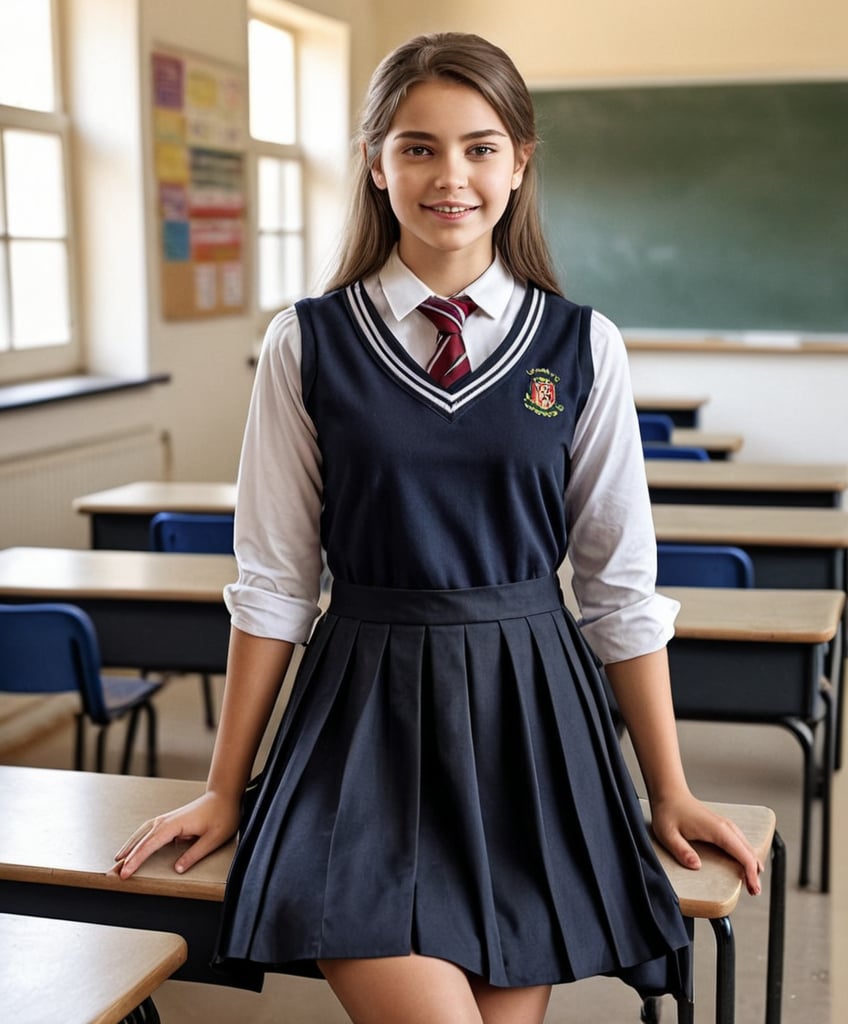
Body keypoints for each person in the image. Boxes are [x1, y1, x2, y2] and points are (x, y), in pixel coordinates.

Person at [115, 31, 762, 1023]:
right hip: (359, 723)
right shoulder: (307, 342)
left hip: (530, 720)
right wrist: (222, 785)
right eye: (416, 147)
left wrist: (666, 789)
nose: (447, 175)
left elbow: (617, 588)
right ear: (375, 163)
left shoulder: (581, 344)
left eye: (477, 146)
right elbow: (276, 582)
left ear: (518, 163)